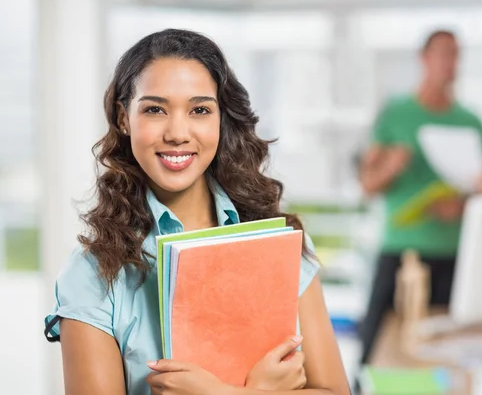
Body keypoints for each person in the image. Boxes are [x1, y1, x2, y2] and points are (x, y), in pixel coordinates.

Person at [43, 29, 349, 395]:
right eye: (155, 109)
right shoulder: (93, 273)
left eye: (200, 110)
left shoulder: (279, 241)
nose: (178, 133)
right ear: (124, 118)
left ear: (222, 118)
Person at [357, 30, 482, 370]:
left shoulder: (471, 121)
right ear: (425, 59)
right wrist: (393, 165)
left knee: (445, 355)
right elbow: (368, 185)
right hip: (402, 252)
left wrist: (461, 206)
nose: (451, 63)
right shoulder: (396, 114)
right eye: (444, 53)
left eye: (456, 55)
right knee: (376, 350)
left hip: (454, 253)